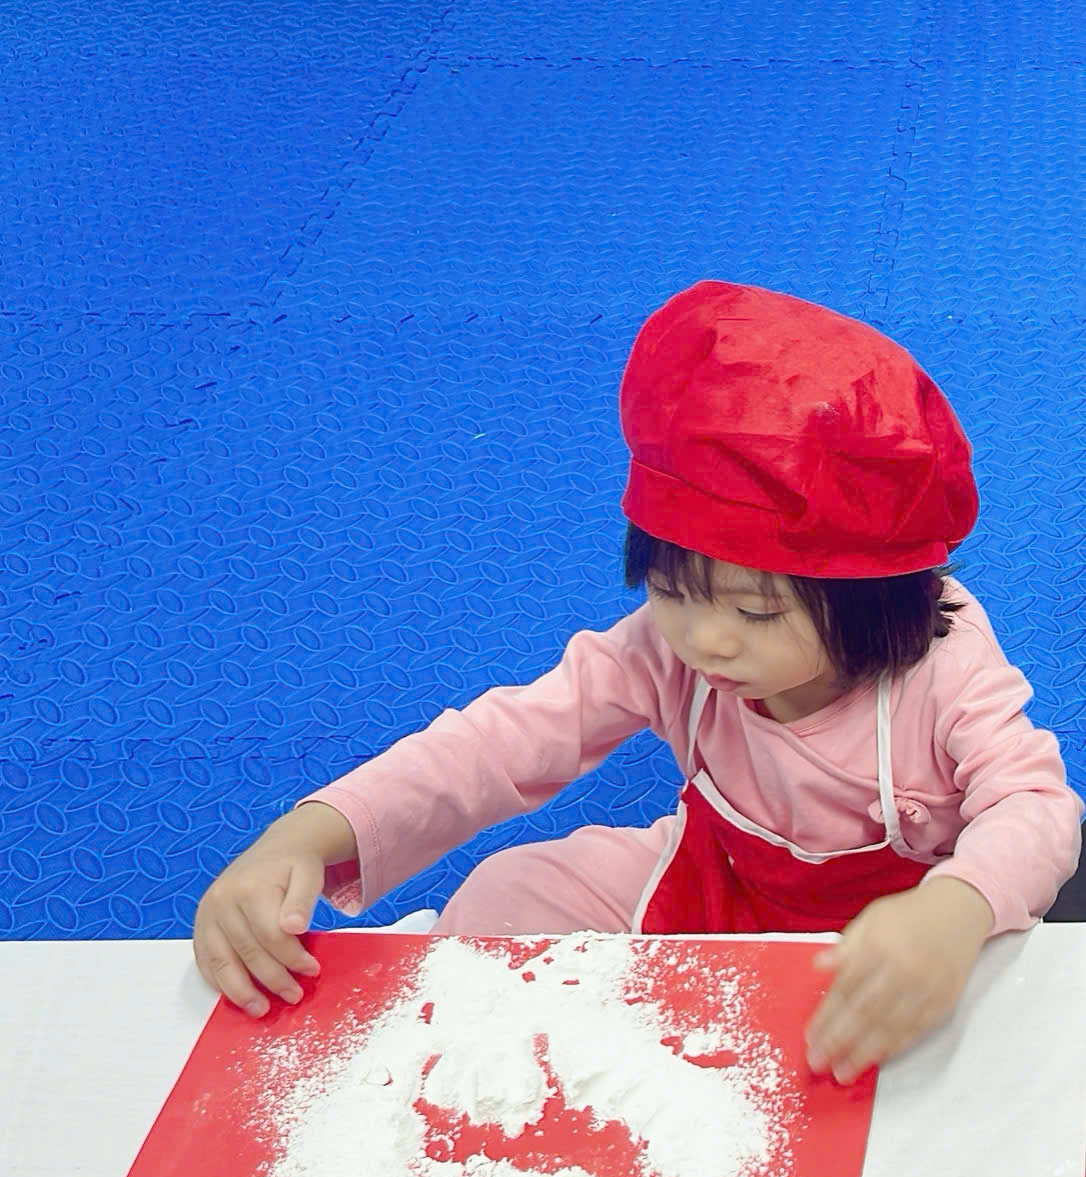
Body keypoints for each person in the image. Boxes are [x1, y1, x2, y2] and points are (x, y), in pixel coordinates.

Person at [193, 280, 1084, 1084]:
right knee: (506, 891)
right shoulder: (668, 645)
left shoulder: (944, 665)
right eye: (669, 592)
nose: (703, 640)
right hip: (719, 884)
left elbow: (1038, 809)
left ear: (875, 601)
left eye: (756, 614)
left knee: (1004, 1034)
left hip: (902, 931)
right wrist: (307, 835)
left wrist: (955, 915)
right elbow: (500, 743)